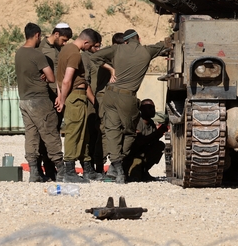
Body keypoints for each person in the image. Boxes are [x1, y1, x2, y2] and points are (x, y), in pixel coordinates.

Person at [91, 29, 168, 183]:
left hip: (110, 95)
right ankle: (117, 165)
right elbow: (164, 45)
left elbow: (94, 57)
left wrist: (111, 69)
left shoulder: (117, 49)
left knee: (112, 131)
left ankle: (116, 166)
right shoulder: (146, 51)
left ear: (125, 41)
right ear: (138, 38)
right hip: (128, 97)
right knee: (129, 132)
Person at [14, 23, 63, 183]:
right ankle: (61, 171)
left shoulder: (19, 53)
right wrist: (44, 73)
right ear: (36, 35)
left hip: (24, 100)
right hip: (39, 100)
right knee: (50, 133)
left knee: (31, 135)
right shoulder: (37, 55)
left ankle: (34, 172)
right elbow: (51, 78)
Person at [56, 28, 103, 183]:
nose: (90, 49)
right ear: (86, 42)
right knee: (74, 133)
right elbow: (66, 80)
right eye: (90, 46)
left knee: (83, 134)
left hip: (77, 96)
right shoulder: (75, 54)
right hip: (75, 97)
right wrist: (62, 99)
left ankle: (87, 168)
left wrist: (60, 95)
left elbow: (61, 77)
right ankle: (69, 170)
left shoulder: (65, 50)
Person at [83, 32, 125, 175]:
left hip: (108, 97)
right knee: (103, 132)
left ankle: (101, 165)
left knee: (105, 132)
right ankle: (98, 166)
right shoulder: (107, 57)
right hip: (102, 98)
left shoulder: (111, 57)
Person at [36, 22, 72, 181]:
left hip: (59, 96)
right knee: (43, 133)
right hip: (46, 96)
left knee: (54, 132)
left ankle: (51, 169)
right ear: (56, 34)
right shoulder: (41, 48)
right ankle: (41, 169)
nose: (65, 43)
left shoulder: (62, 50)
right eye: (63, 40)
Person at [124, 98, 168, 182]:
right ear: (141, 109)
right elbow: (140, 142)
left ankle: (144, 170)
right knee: (135, 178)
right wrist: (158, 132)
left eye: (153, 107)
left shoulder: (151, 123)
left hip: (144, 154)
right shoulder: (137, 122)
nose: (153, 110)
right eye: (149, 108)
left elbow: (153, 142)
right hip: (134, 156)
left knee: (160, 145)